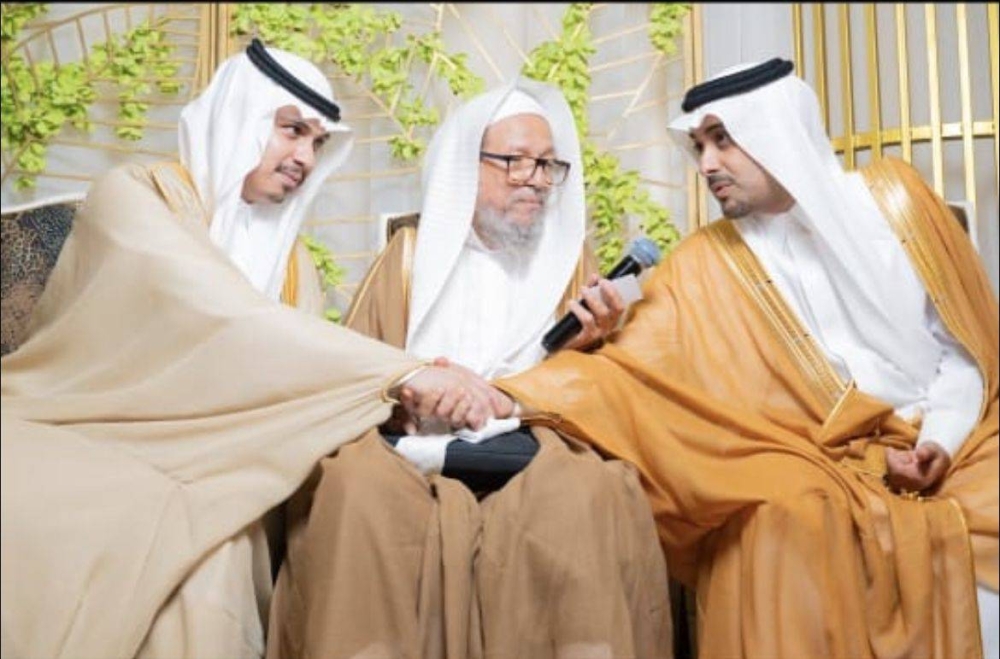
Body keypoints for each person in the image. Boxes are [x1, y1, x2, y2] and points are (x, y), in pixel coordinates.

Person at [0, 40, 506, 658]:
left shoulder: (293, 268)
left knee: (217, 555)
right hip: (80, 426)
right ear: (239, 116)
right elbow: (218, 314)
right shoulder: (134, 195)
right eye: (291, 130)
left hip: (225, 460)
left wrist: (388, 403)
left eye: (318, 143)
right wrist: (403, 373)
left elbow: (296, 380)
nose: (305, 157)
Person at [495, 59, 998, 658]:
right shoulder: (705, 262)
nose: (706, 164)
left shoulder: (897, 200)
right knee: (780, 522)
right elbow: (626, 374)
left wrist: (939, 441)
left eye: (722, 139)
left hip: (960, 438)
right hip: (811, 457)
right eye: (698, 146)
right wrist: (513, 390)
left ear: (778, 130)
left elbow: (966, 351)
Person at [266, 78, 672, 659]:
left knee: (588, 494)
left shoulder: (571, 266)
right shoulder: (408, 258)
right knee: (352, 488)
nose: (535, 178)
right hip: (408, 450)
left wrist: (588, 346)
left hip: (536, 447)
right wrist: (410, 398)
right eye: (515, 161)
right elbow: (359, 374)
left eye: (547, 165)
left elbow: (607, 395)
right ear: (465, 165)